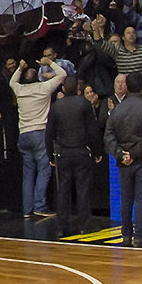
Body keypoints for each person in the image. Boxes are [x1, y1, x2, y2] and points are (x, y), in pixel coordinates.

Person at [9, 58, 67, 219]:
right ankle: (40, 206)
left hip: (23, 135)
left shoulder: (19, 90)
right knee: (44, 170)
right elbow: (63, 74)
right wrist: (49, 63)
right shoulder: (44, 87)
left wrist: (20, 68)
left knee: (28, 173)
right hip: (40, 133)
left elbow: (12, 81)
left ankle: (27, 210)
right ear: (38, 77)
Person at [105, 72, 142, 247]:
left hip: (124, 161)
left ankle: (126, 235)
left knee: (126, 198)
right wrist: (133, 154)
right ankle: (140, 236)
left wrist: (121, 154)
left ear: (126, 86)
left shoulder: (117, 109)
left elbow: (109, 136)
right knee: (141, 199)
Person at [48, 79, 101, 230]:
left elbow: (49, 133)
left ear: (63, 89)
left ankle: (62, 225)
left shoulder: (56, 106)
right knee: (82, 188)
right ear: (78, 89)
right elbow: (93, 130)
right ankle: (84, 224)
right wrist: (97, 151)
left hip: (63, 152)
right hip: (81, 150)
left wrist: (50, 155)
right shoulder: (84, 104)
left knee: (63, 190)